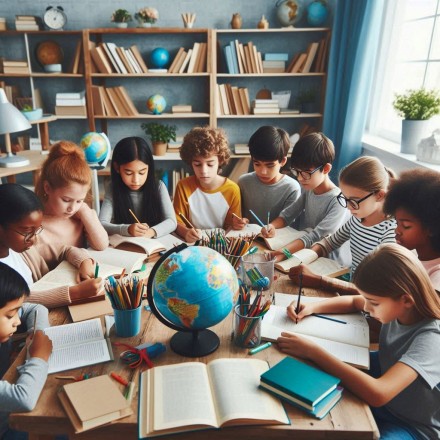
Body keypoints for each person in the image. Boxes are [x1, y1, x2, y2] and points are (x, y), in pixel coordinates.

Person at [280, 244, 440, 440]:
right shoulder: (399, 308)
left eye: (374, 303)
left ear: (406, 300)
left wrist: (314, 351)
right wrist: (312, 307)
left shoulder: (433, 338)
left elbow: (378, 393)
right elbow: (356, 302)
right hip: (385, 379)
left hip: (412, 425)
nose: (368, 308)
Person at [289, 156, 397, 295]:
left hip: (368, 302)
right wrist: (306, 257)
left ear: (379, 195)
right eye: (344, 199)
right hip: (350, 293)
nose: (347, 207)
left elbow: (379, 291)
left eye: (353, 201)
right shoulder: (357, 219)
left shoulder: (390, 232)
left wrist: (319, 280)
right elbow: (329, 243)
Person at [0, 184, 101, 309]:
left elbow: (65, 250)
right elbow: (18, 300)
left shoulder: (22, 250)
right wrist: (75, 293)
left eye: (36, 230)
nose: (33, 239)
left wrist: (84, 262)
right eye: (26, 232)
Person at [269, 132, 350, 265]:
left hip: (326, 263)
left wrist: (283, 252)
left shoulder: (339, 201)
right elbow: (287, 215)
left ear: (326, 168)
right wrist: (271, 226)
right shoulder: (310, 189)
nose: (300, 178)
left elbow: (316, 237)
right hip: (303, 252)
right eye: (297, 171)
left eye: (306, 173)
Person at [0, 262, 53, 440]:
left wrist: (37, 333)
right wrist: (39, 357)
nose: (17, 321)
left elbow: (36, 308)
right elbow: (24, 399)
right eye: (10, 316)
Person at [34, 141, 108, 250]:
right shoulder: (33, 221)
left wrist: (85, 211)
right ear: (47, 188)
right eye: (66, 200)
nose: (72, 209)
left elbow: (101, 245)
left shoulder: (80, 215)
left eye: (79, 201)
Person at [173, 126, 241, 243]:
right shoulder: (183, 186)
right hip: (192, 244)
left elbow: (232, 227)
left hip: (220, 245)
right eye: (197, 164)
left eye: (210, 164)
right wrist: (186, 233)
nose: (204, 171)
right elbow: (177, 222)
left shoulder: (232, 189)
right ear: (191, 162)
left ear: (220, 161)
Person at [99, 136, 177, 238]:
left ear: (149, 168)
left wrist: (151, 232)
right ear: (117, 168)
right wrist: (127, 229)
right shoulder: (113, 189)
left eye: (142, 172)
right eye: (128, 173)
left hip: (154, 244)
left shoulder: (159, 187)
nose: (136, 180)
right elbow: (101, 224)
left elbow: (172, 221)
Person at [234, 126, 301, 237]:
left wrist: (273, 227)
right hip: (248, 239)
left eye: (270, 165)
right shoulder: (243, 182)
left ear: (283, 161)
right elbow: (239, 215)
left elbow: (288, 221)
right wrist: (238, 221)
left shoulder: (291, 188)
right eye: (257, 164)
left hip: (277, 242)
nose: (263, 171)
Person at [384, 168, 440, 292]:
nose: (396, 231)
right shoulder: (411, 258)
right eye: (397, 223)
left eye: (406, 226)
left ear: (432, 228)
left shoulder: (437, 274)